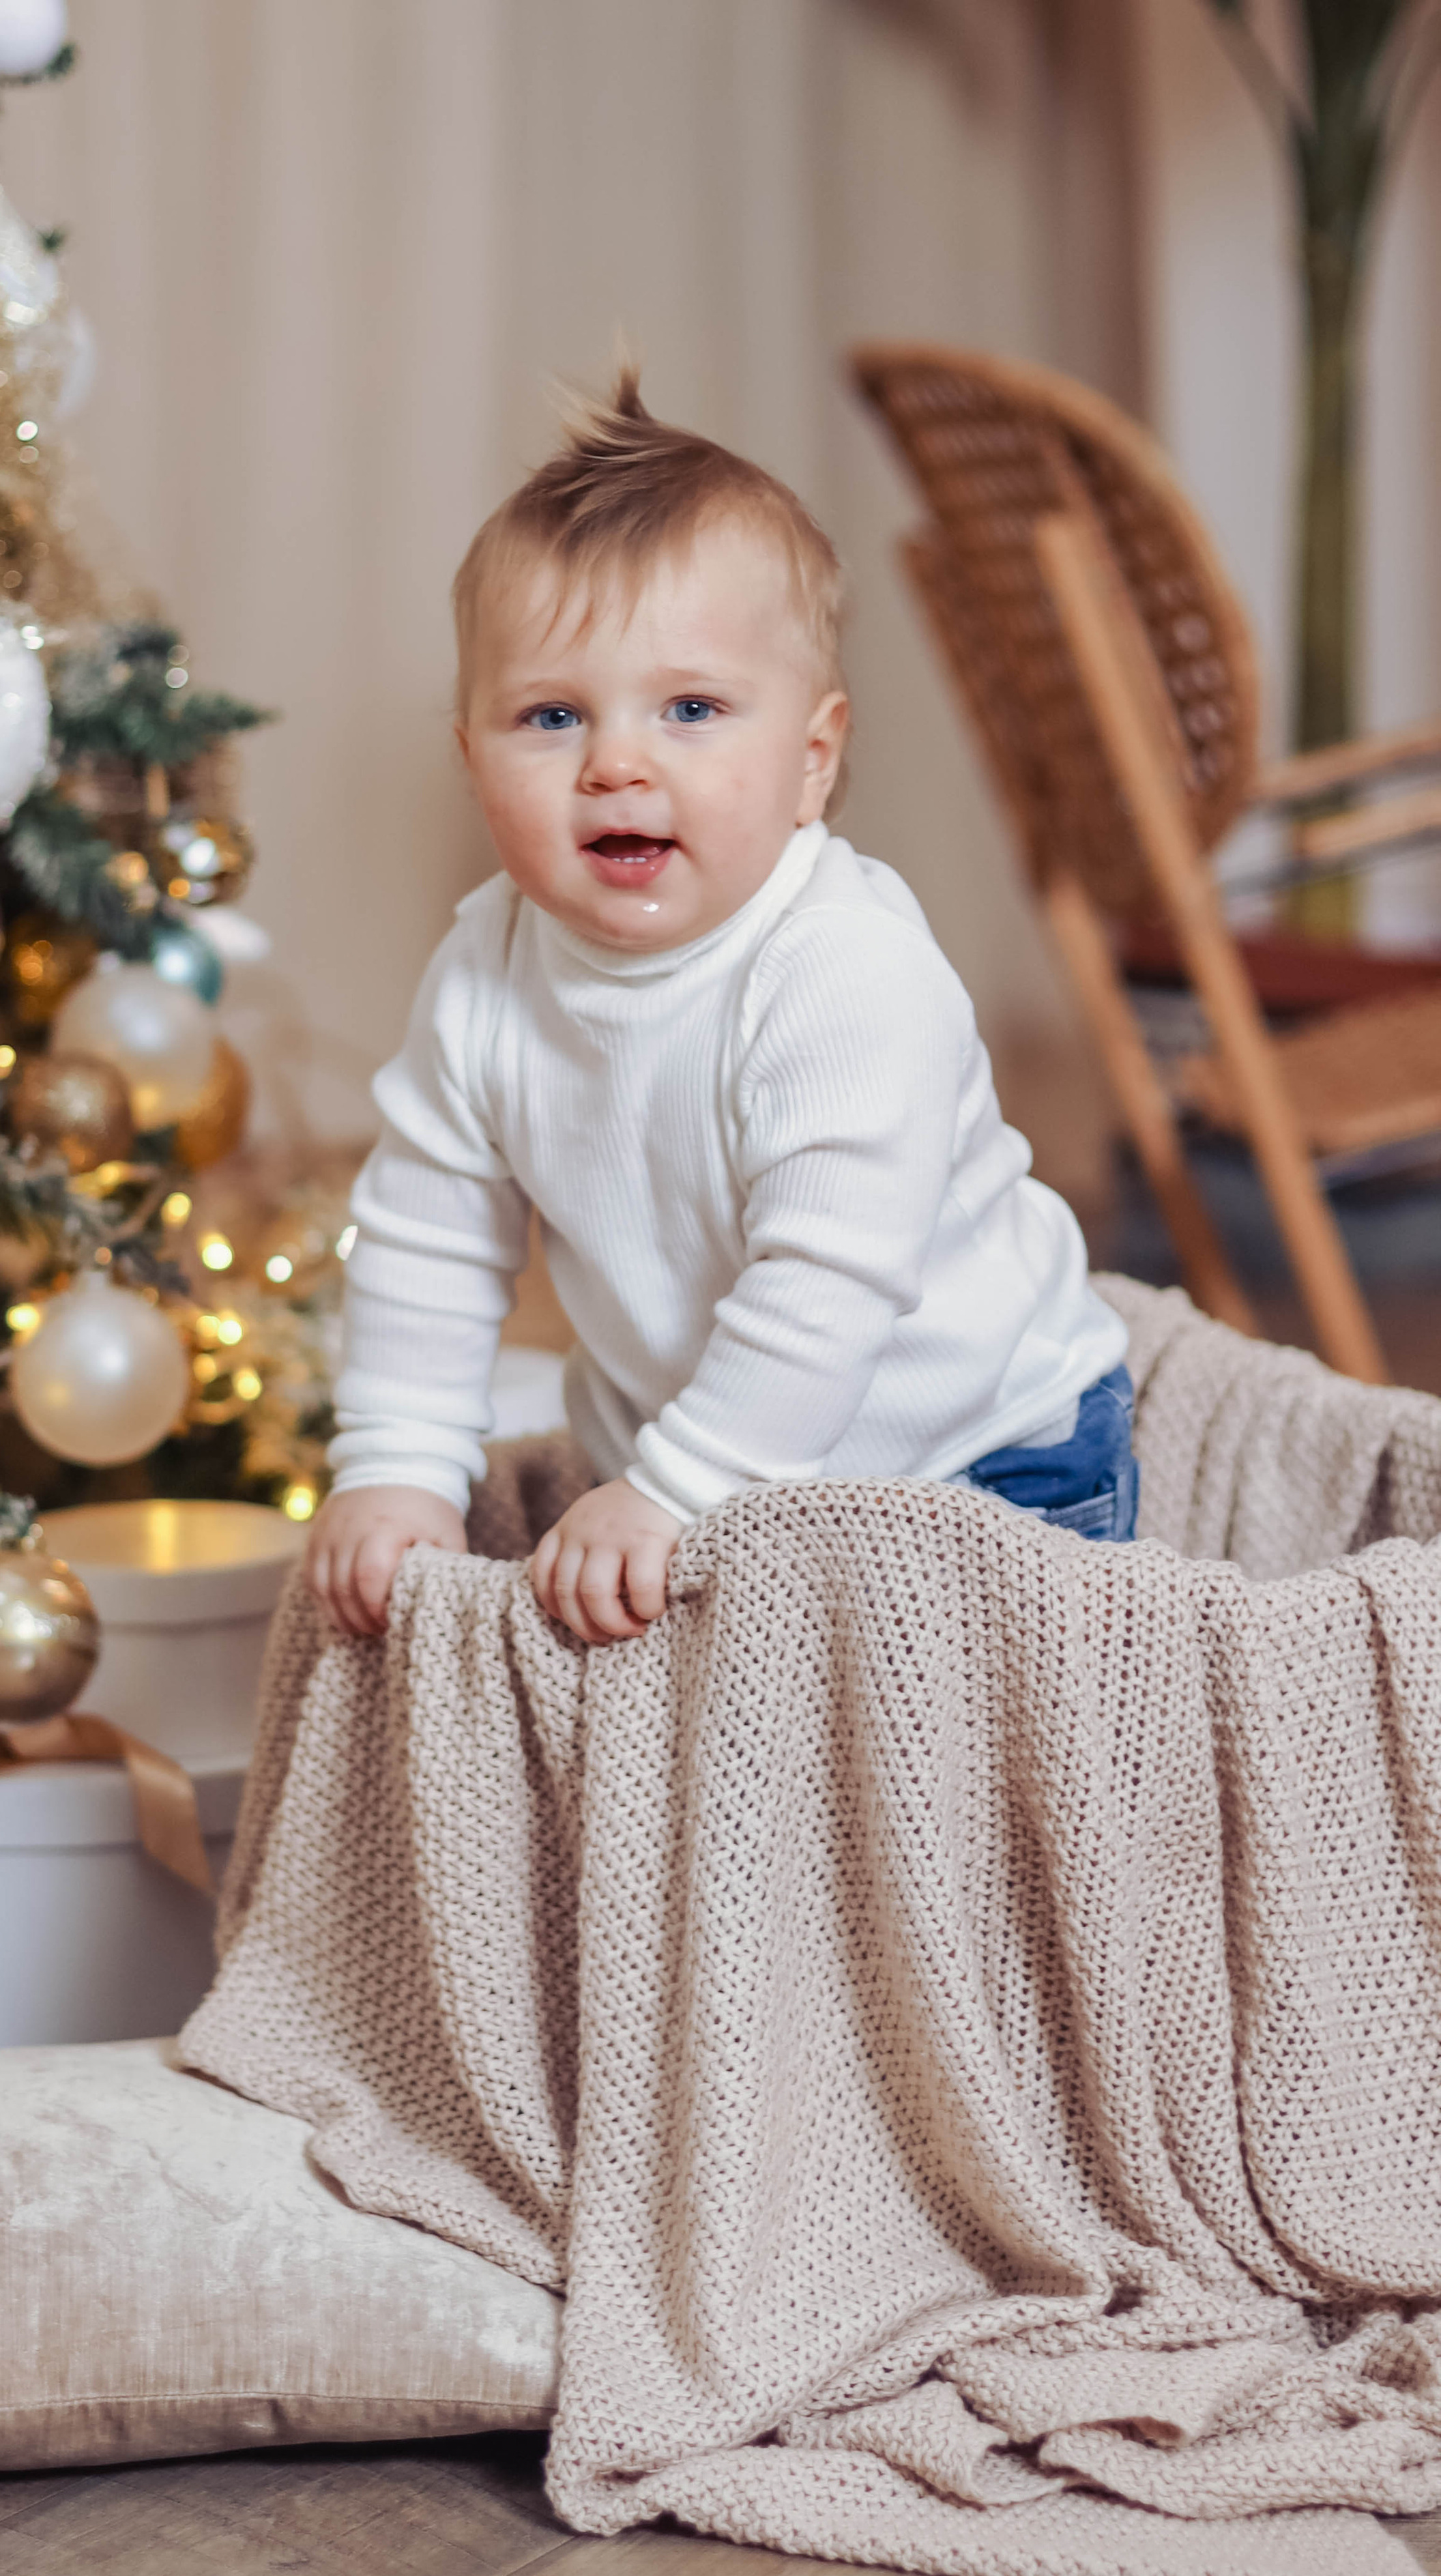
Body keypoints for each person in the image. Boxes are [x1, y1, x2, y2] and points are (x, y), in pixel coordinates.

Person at [306, 373, 1134, 1649]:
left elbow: (827, 1283)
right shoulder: (485, 972)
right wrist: (398, 1464)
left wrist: (679, 1488)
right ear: (474, 760)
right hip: (706, 1454)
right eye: (552, 716)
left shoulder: (840, 968)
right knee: (745, 1765)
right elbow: (427, 1236)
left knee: (954, 1787)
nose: (618, 763)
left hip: (979, 1455)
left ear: (813, 762)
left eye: (690, 710)